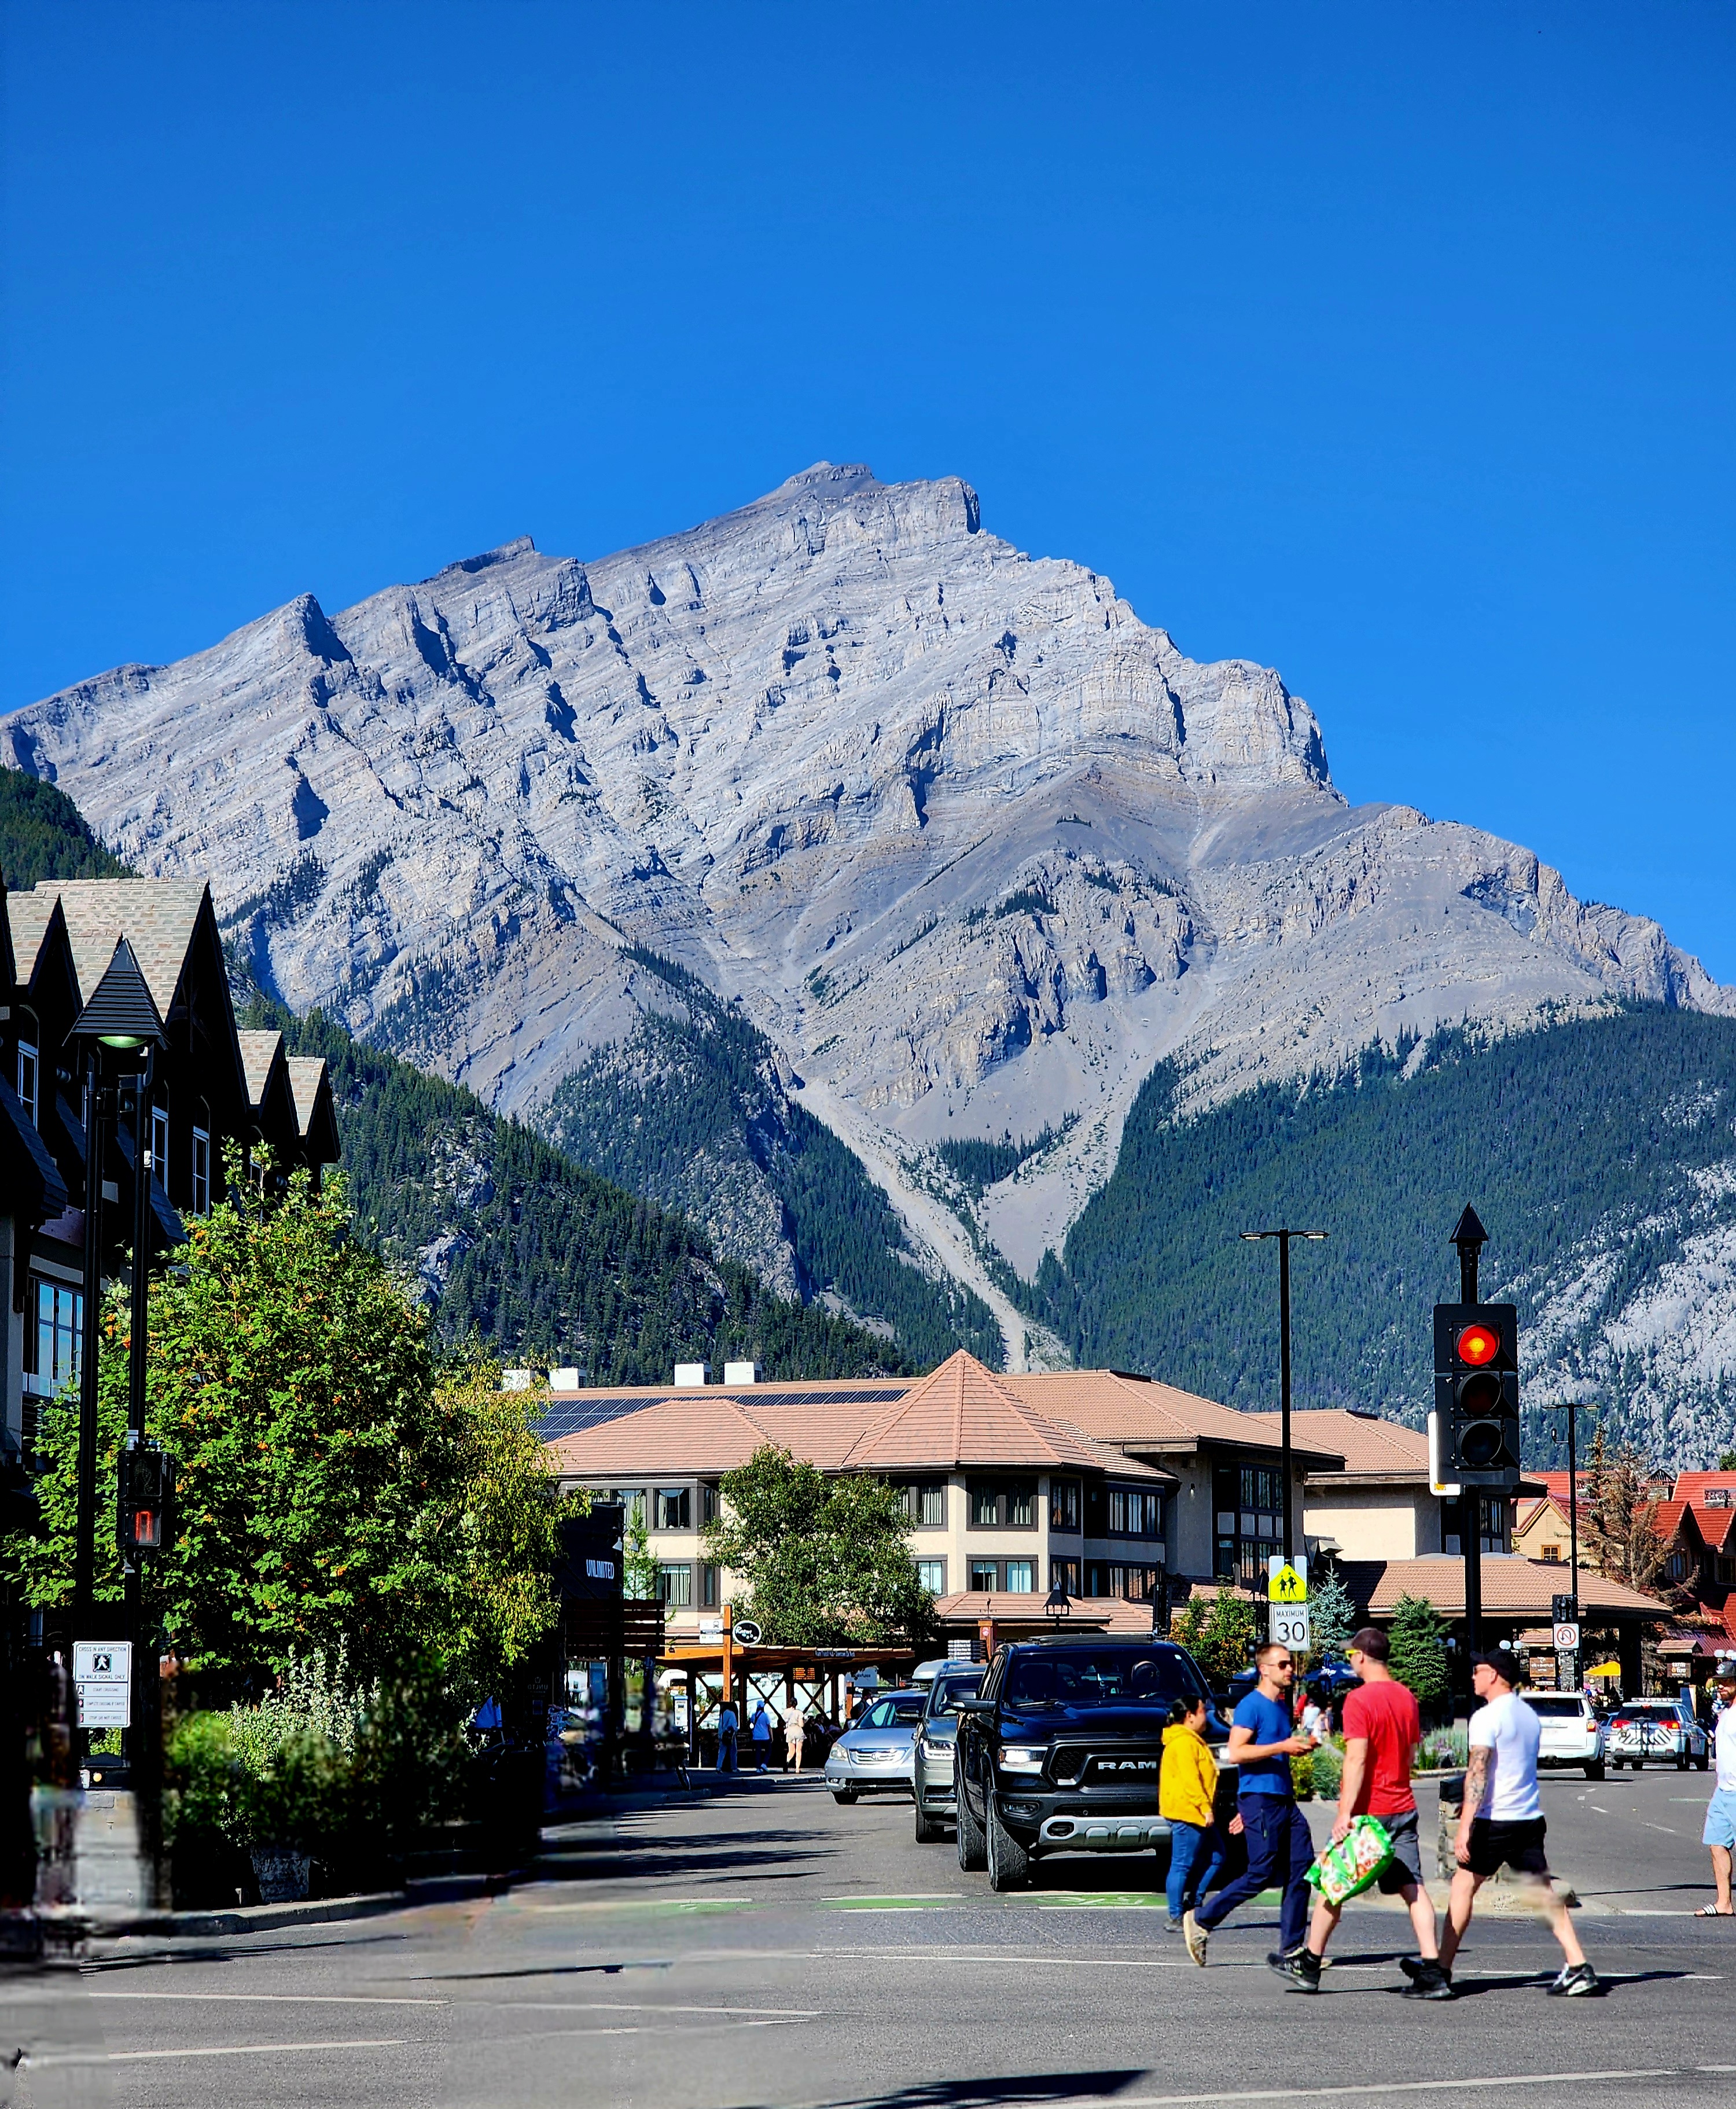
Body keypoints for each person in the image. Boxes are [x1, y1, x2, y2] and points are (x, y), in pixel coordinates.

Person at [1273, 1627, 1447, 1996]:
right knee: (1414, 1888)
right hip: (1403, 1807)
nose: (1350, 1659)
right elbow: (1412, 1754)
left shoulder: (1360, 1701)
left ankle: (1310, 1964)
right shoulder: (1406, 1698)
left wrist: (1344, 1814)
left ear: (1362, 1657)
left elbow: (1357, 1758)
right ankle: (1433, 1970)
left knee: (1331, 1885)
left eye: (1352, 1654)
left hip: (1369, 1814)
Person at [1435, 1647, 1597, 1997]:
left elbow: (1478, 1771)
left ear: (1493, 1675)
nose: (1474, 1676)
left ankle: (1441, 1972)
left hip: (1496, 1820)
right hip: (1528, 1818)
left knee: (1463, 1886)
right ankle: (1579, 1965)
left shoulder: (1486, 1717)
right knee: (1542, 1892)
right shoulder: (1527, 1715)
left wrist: (1465, 1825)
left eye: (1478, 1671)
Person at [1184, 1641, 1316, 1967]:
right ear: (1265, 1669)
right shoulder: (1251, 1706)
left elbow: (1273, 1755)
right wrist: (1281, 1747)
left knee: (1304, 1868)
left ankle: (1292, 1949)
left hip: (1282, 1800)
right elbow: (1237, 1752)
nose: (1290, 1669)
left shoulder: (1282, 1708)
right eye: (1283, 1665)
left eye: (1290, 1665)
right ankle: (1202, 1920)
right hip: (1262, 1800)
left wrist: (1293, 1748)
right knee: (1261, 1873)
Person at [1161, 1693, 1227, 1931]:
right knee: (1182, 1864)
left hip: (1195, 1812)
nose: (1206, 1715)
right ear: (1189, 1716)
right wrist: (1205, 1808)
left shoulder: (1191, 1740)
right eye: (1202, 1711)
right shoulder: (1184, 1742)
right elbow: (1192, 1780)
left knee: (1218, 1857)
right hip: (1188, 1812)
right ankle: (1176, 1915)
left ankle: (1193, 1902)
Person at [1698, 1662, 1736, 1917]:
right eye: (1719, 1681)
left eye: (1727, 1681)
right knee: (1716, 1843)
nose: (1721, 1686)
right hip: (1724, 1790)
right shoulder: (1726, 1714)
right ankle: (1724, 1902)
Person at [782, 1696, 807, 1773]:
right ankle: (797, 1769)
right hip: (798, 1730)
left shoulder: (786, 1712)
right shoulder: (799, 1713)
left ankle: (787, 1762)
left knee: (791, 1751)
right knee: (798, 1751)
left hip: (790, 1731)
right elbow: (801, 1725)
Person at [716, 1696, 740, 1774]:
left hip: (723, 1735)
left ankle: (718, 1767)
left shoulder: (723, 1714)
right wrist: (735, 1730)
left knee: (722, 1751)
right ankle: (734, 1768)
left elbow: (720, 1725)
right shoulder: (732, 1713)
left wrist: (720, 1734)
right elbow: (733, 1725)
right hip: (730, 1736)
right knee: (733, 1751)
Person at [750, 1700, 773, 1772]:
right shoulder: (766, 1716)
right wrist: (772, 1737)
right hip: (765, 1736)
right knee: (768, 1750)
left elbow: (751, 1723)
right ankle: (764, 1764)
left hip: (756, 1736)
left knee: (758, 1752)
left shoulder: (754, 1715)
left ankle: (758, 1768)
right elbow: (769, 1727)